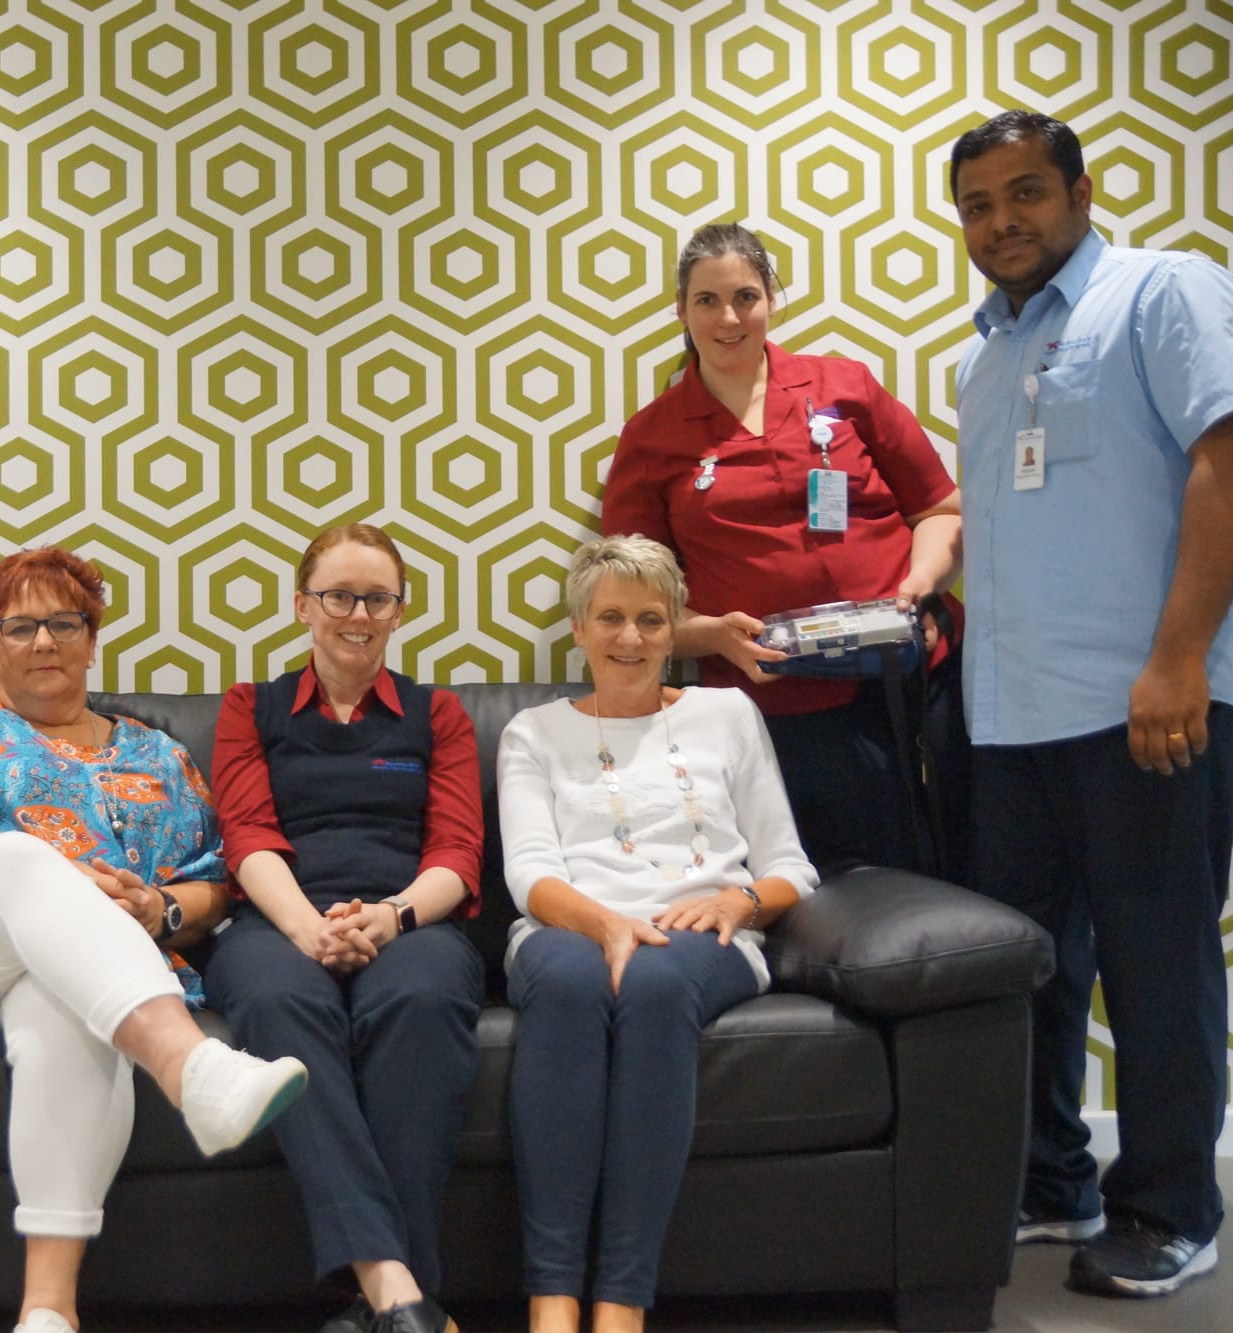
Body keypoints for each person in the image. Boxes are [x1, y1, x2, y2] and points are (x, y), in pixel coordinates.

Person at [948, 110, 1233, 1299]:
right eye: (978, 207)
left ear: (1079, 193)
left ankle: (1170, 1206)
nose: (1002, 223)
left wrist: (1180, 657)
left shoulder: (1163, 292)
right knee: (1031, 966)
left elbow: (1230, 453)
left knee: (1153, 955)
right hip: (1012, 716)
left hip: (1147, 699)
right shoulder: (975, 357)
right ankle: (1052, 1178)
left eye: (1025, 193)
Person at [0, 546, 308, 1333]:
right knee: (20, 855)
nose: (44, 642)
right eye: (19, 626)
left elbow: (215, 881)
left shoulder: (158, 754)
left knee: (63, 1008)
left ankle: (48, 1311)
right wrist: (67, 873)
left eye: (64, 622)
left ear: (93, 638)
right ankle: (191, 1066)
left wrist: (156, 906)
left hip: (90, 963)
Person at [496, 535, 818, 1333]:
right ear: (578, 627)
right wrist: (606, 923)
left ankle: (622, 1304)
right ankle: (551, 1299)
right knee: (573, 984)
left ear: (676, 628)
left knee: (652, 983)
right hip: (565, 927)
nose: (630, 638)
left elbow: (790, 866)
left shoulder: (727, 713)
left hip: (701, 932)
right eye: (609, 617)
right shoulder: (532, 732)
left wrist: (740, 903)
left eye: (649, 618)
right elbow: (529, 873)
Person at [600, 223, 964, 878]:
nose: (729, 317)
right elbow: (629, 611)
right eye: (706, 300)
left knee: (947, 868)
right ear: (680, 310)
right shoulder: (652, 437)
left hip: (906, 681)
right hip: (770, 707)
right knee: (812, 886)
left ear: (772, 298)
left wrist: (919, 586)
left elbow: (938, 508)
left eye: (745, 295)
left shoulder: (846, 387)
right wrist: (713, 635)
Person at [205, 524, 485, 1333]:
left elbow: (458, 853)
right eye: (338, 595)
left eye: (378, 597)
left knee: (423, 1002)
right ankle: (402, 1293)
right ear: (303, 605)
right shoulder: (247, 706)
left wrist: (387, 918)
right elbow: (247, 836)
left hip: (408, 919)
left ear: (400, 610)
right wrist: (306, 928)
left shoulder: (439, 713)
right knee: (281, 1008)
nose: (357, 613)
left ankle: (379, 1302)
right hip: (278, 918)